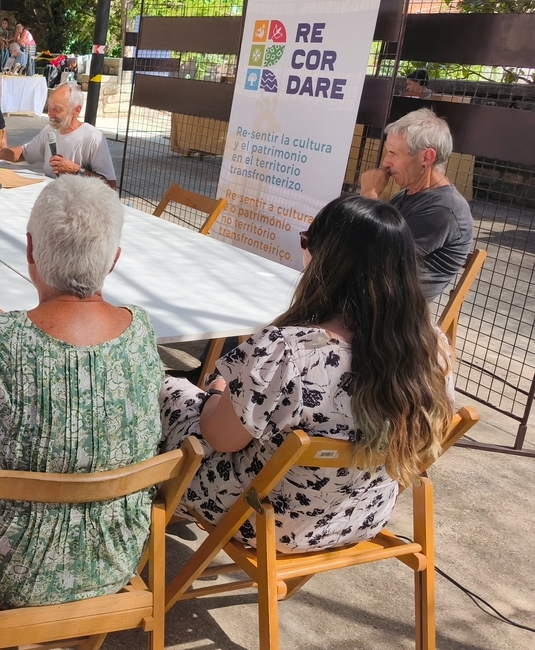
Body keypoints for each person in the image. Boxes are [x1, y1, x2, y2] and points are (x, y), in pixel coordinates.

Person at [0, 176, 163, 606]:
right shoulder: (141, 328)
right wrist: (0, 329)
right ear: (113, 260)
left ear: (31, 249)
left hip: (2, 572)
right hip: (112, 562)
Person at [160, 195, 455, 552]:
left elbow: (220, 438)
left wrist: (221, 391)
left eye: (306, 241)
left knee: (167, 390)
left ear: (325, 259)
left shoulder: (288, 351)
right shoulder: (431, 349)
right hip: (360, 516)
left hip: (263, 520)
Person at [358, 108, 473, 299]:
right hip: (372, 295)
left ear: (426, 157)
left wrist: (369, 194)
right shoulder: (407, 195)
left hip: (391, 311)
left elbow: (380, 255)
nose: (386, 162)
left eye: (393, 153)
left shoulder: (443, 209)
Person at [0, 84, 116, 187]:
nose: (50, 114)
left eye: (57, 109)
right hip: (52, 201)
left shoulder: (93, 137)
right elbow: (24, 153)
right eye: (49, 107)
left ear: (77, 110)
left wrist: (76, 170)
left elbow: (110, 186)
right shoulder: (50, 131)